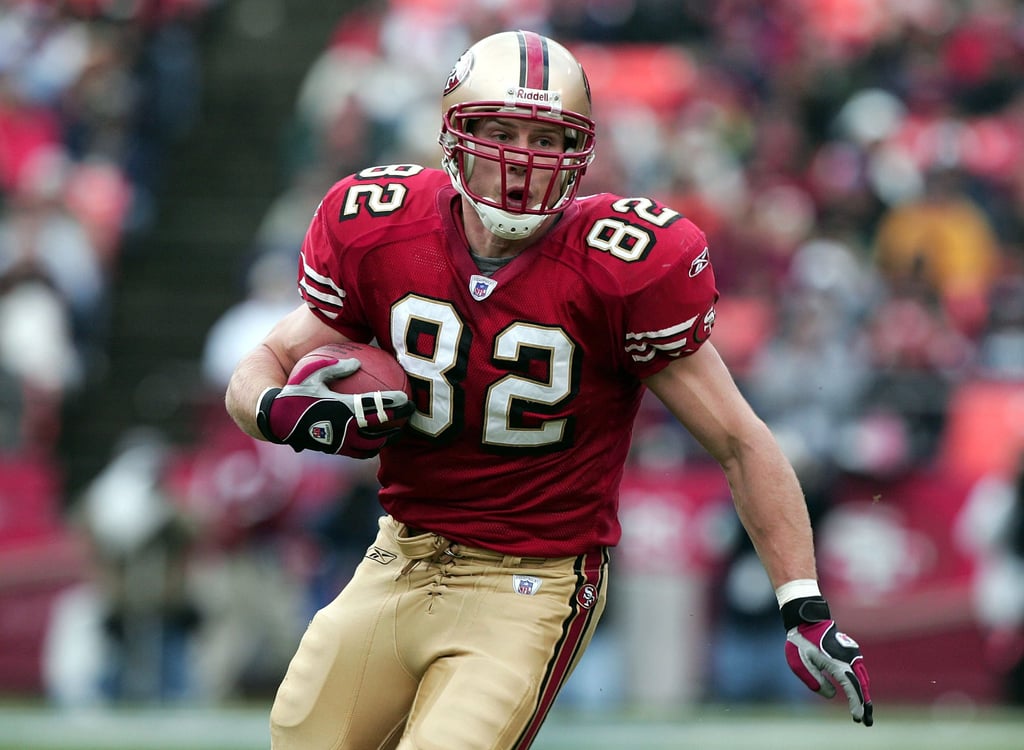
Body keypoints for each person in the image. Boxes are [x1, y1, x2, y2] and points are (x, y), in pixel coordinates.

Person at [225, 30, 873, 750]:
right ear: (453, 135)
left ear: (580, 152)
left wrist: (802, 601)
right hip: (398, 556)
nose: (521, 160)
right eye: (499, 132)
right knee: (297, 737)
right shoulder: (381, 226)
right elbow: (267, 359)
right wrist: (278, 411)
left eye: (544, 137)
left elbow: (738, 439)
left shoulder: (623, 263)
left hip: (532, 581)